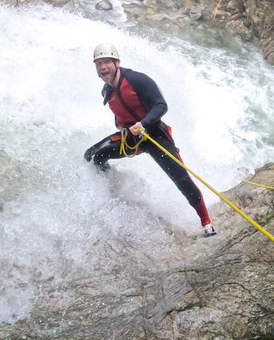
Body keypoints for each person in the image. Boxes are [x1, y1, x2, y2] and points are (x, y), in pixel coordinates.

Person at [84, 42, 216, 236]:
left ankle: (206, 222)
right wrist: (124, 127)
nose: (103, 67)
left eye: (106, 62)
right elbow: (120, 112)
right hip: (130, 137)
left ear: (117, 62)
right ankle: (111, 185)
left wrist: (143, 124)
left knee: (180, 177)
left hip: (153, 134)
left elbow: (161, 105)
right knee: (93, 156)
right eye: (98, 63)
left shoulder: (138, 80)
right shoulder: (106, 91)